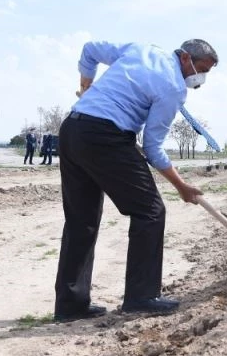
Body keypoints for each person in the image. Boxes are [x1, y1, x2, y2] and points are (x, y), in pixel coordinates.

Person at [53, 39, 218, 322]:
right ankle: (141, 297)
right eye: (201, 70)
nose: (200, 79)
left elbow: (90, 49)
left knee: (82, 219)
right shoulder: (173, 88)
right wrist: (181, 186)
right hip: (106, 137)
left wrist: (86, 86)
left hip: (72, 129)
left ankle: (70, 304)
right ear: (185, 58)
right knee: (150, 211)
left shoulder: (144, 49)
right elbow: (153, 148)